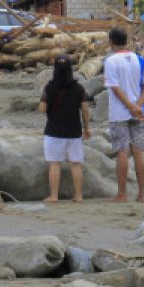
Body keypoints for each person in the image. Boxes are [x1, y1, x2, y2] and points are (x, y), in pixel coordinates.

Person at [104, 27, 144, 203]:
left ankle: (122, 194)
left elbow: (115, 88)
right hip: (139, 113)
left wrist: (130, 106)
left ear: (111, 42)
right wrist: (138, 106)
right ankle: (141, 195)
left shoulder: (111, 61)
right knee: (138, 151)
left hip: (119, 113)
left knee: (122, 151)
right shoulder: (139, 59)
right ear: (126, 41)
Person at [39, 55, 92, 203]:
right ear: (70, 69)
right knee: (76, 163)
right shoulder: (79, 88)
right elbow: (85, 111)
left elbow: (42, 109)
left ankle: (54, 196)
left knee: (55, 163)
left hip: (54, 131)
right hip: (74, 131)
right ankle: (79, 195)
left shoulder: (49, 87)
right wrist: (87, 128)